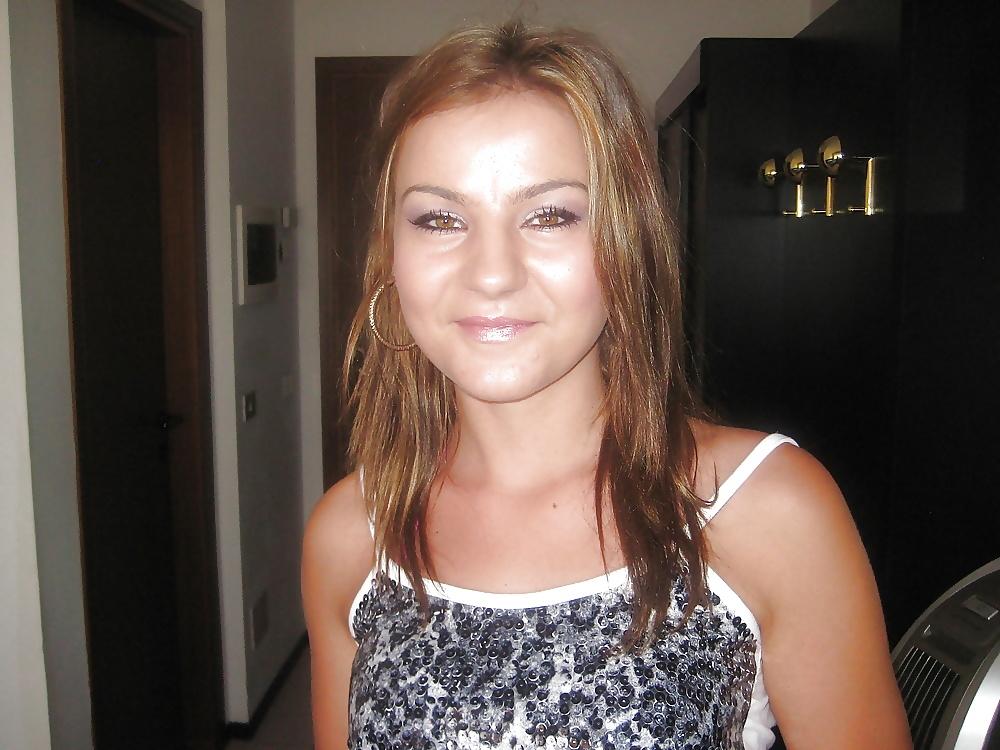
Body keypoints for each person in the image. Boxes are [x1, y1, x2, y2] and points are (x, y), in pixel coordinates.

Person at [301, 21, 911, 750]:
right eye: (439, 219)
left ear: (627, 243)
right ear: (391, 257)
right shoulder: (352, 536)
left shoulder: (765, 509)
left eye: (549, 215)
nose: (491, 273)